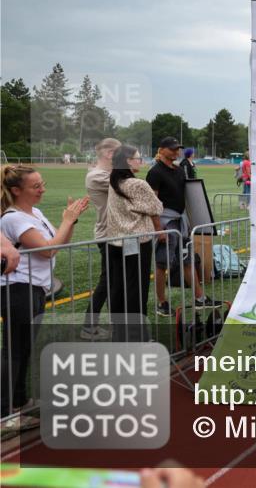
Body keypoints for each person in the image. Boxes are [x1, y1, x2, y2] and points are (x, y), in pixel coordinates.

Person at [1, 165, 89, 429]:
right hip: (18, 289)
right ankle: (5, 412)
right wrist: (66, 220)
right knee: (14, 350)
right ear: (16, 190)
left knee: (24, 348)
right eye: (35, 186)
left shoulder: (34, 213)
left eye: (42, 184)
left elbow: (58, 243)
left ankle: (17, 401)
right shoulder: (13, 218)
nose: (42, 190)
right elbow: (47, 251)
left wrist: (69, 221)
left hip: (36, 288)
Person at [146, 137, 217, 317]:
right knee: (162, 264)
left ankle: (200, 298)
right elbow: (152, 204)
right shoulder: (154, 173)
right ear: (161, 150)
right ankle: (161, 303)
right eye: (172, 149)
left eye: (177, 148)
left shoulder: (178, 170)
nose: (176, 151)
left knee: (187, 260)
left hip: (181, 223)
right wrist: (158, 229)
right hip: (166, 224)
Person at [107, 145, 164, 341]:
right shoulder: (137, 184)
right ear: (128, 161)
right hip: (136, 241)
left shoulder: (114, 181)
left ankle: (119, 332)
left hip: (114, 241)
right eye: (138, 158)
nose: (141, 161)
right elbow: (157, 207)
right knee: (136, 290)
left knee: (118, 288)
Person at [82, 137, 121, 340]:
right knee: (108, 281)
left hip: (118, 234)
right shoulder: (96, 176)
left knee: (115, 281)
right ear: (109, 154)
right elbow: (126, 187)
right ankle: (89, 326)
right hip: (108, 235)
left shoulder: (108, 173)